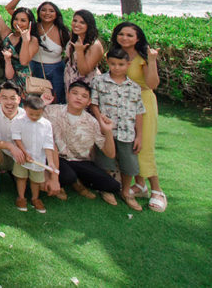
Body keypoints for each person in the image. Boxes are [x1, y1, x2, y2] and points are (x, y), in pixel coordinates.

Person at [110, 21, 166, 212]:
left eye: (129, 35)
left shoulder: (143, 57)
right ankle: (140, 185)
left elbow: (152, 84)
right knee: (129, 144)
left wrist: (152, 60)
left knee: (144, 146)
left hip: (142, 102)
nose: (124, 38)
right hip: (122, 102)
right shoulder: (117, 55)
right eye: (121, 34)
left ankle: (157, 190)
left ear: (138, 38)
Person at [41, 81, 121, 206]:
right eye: (75, 93)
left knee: (113, 186)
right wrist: (42, 105)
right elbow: (29, 119)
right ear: (67, 94)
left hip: (80, 161)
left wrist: (108, 131)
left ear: (89, 102)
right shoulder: (51, 111)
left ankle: (77, 181)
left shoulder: (92, 122)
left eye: (84, 96)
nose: (79, 98)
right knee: (68, 176)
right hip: (58, 158)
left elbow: (110, 154)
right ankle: (69, 181)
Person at [90, 47, 146, 212]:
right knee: (105, 161)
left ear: (128, 64)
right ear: (107, 62)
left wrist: (139, 136)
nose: (116, 67)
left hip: (127, 132)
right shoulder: (99, 81)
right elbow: (94, 104)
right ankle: (107, 188)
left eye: (121, 64)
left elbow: (139, 113)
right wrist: (100, 121)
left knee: (128, 163)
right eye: (113, 64)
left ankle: (125, 191)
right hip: (107, 130)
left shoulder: (134, 87)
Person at [5, 0, 70, 104]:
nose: (47, 13)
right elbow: (9, 8)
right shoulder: (32, 26)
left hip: (56, 70)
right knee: (36, 101)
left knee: (56, 99)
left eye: (51, 11)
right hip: (35, 68)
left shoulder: (62, 31)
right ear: (38, 12)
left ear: (56, 14)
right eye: (43, 10)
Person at [10, 94, 58, 214]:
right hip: (22, 157)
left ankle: (35, 198)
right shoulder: (18, 121)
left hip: (38, 158)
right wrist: (24, 153)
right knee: (21, 177)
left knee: (36, 180)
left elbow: (48, 144)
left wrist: (51, 162)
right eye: (31, 114)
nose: (35, 117)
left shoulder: (46, 124)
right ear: (25, 108)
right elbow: (16, 138)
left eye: (38, 115)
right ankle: (21, 197)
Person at [0, 0, 37, 89]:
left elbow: (24, 61)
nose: (18, 23)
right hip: (6, 77)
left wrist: (25, 41)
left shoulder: (33, 40)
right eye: (16, 19)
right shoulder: (8, 34)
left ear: (29, 23)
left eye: (23, 20)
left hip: (23, 82)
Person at [65, 10, 102, 96]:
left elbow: (83, 71)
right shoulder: (74, 38)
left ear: (89, 25)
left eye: (82, 22)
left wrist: (79, 51)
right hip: (70, 79)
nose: (76, 24)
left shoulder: (95, 45)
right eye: (75, 21)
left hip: (85, 83)